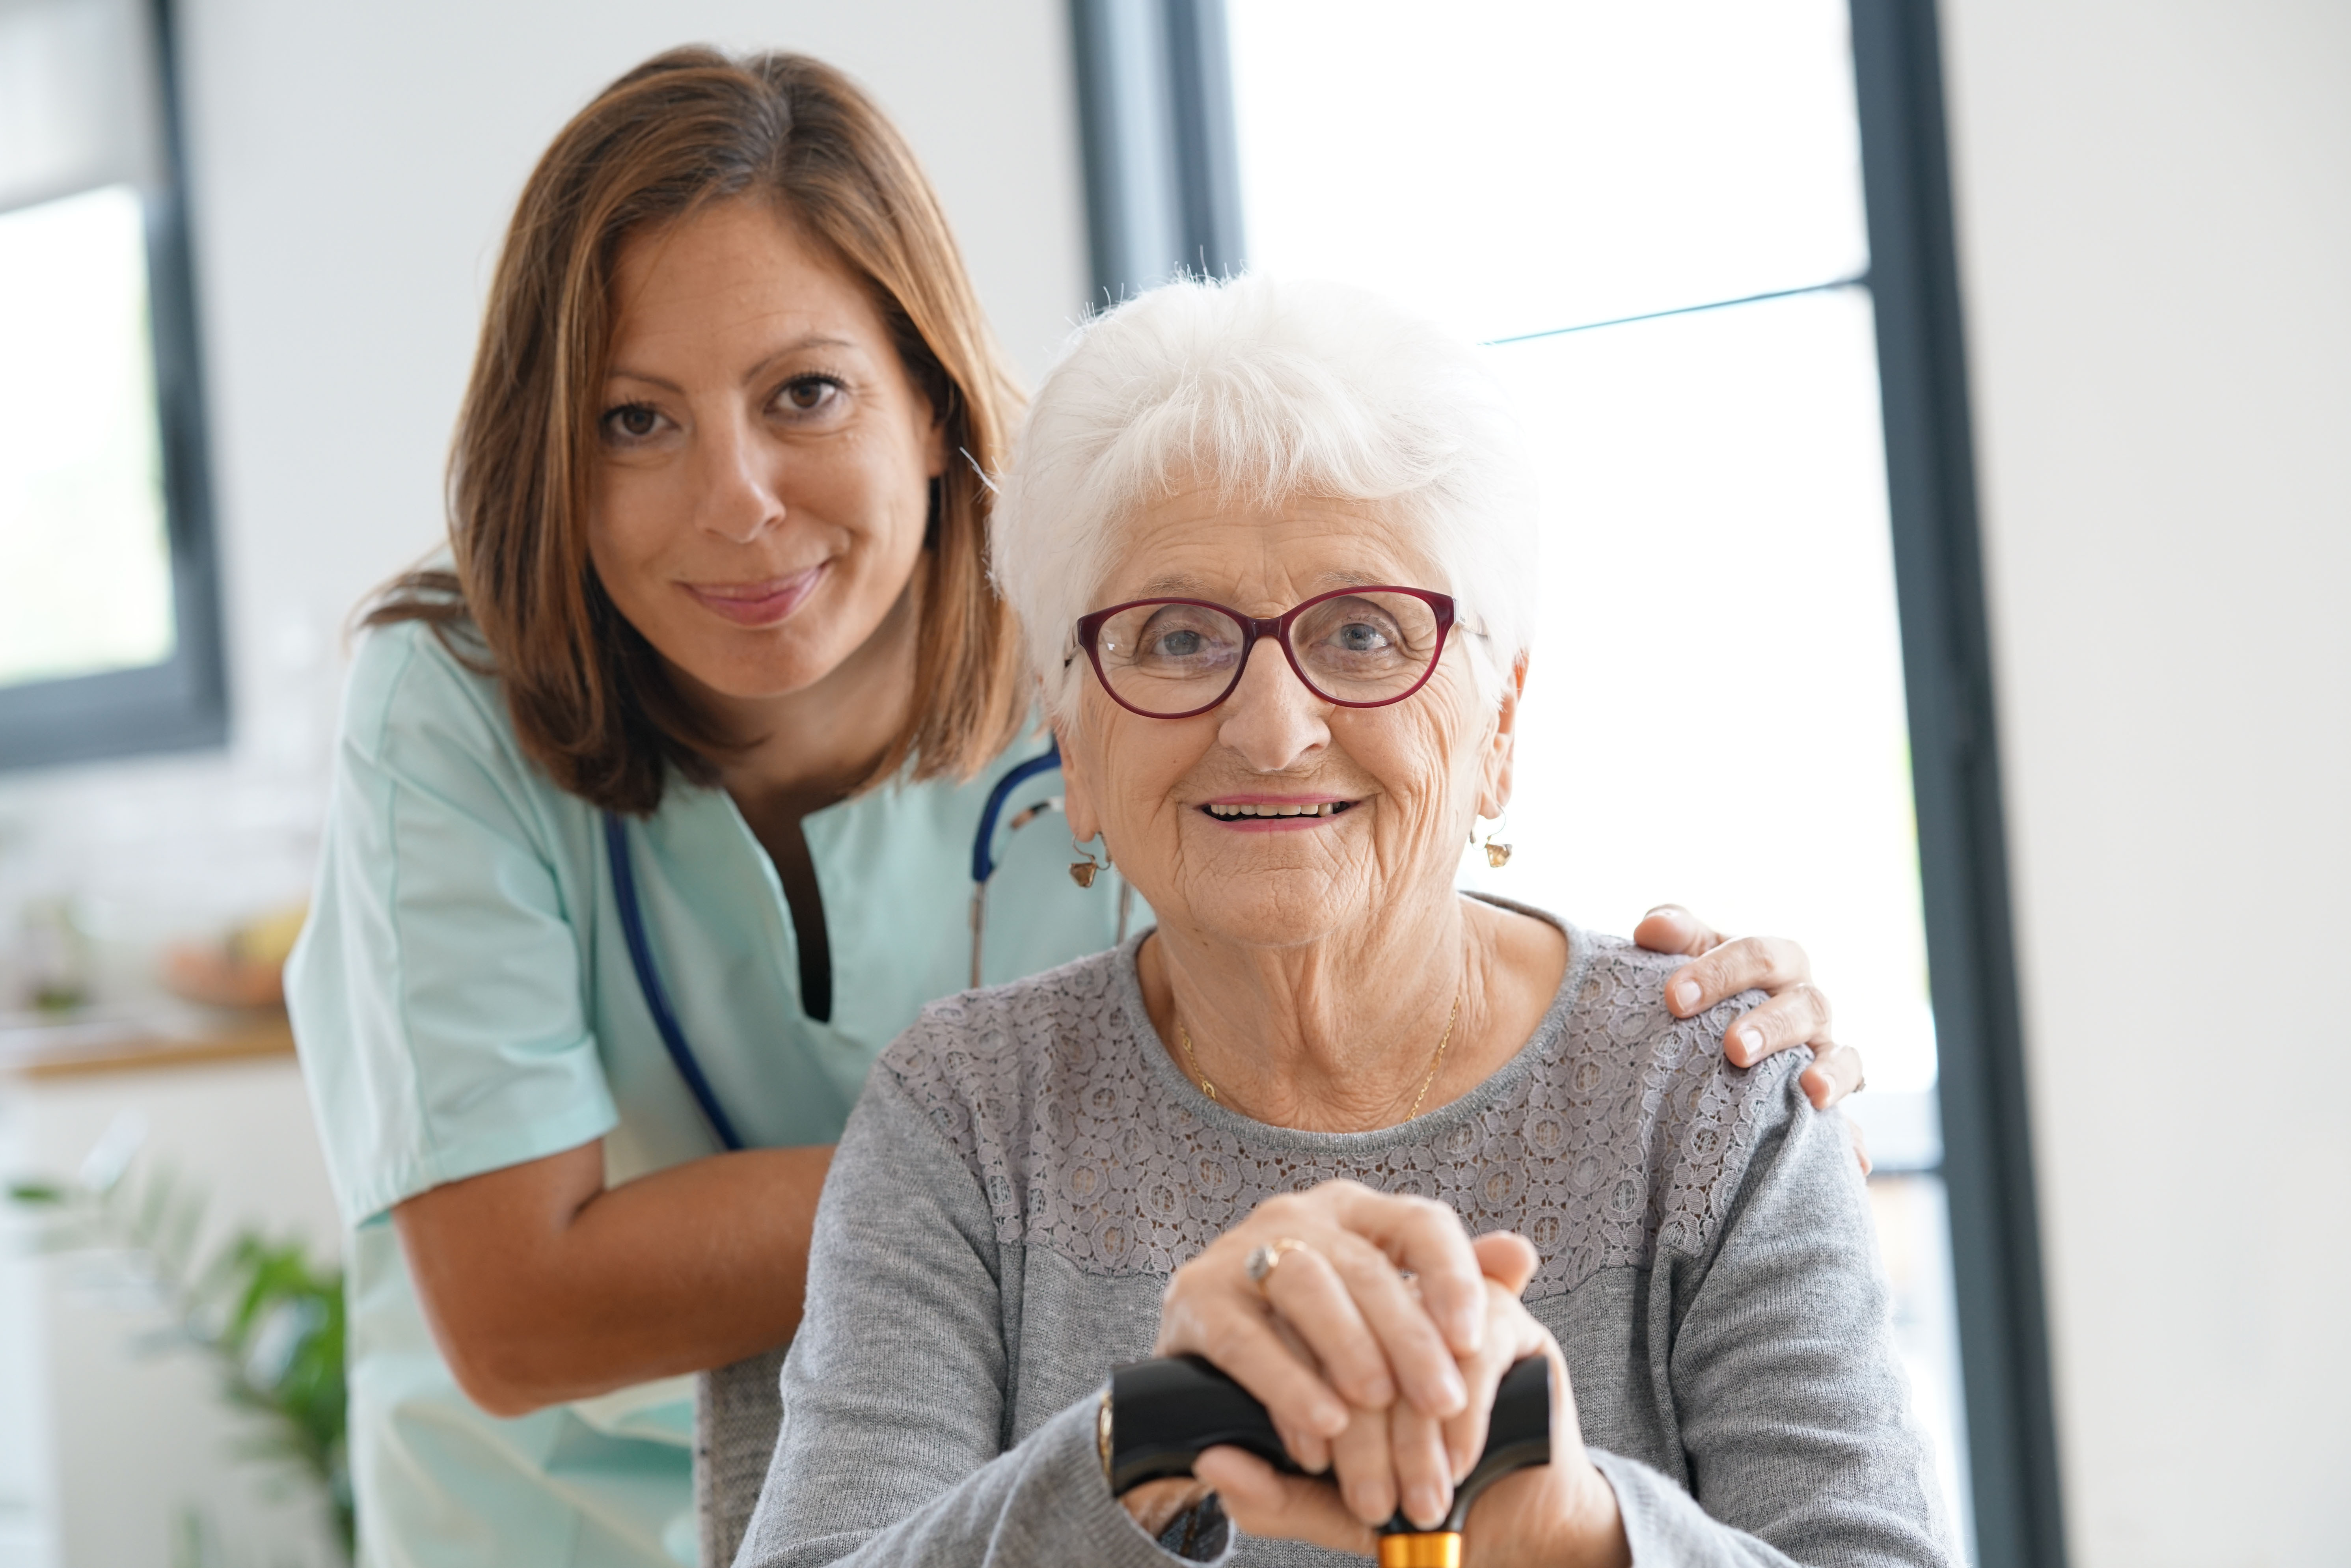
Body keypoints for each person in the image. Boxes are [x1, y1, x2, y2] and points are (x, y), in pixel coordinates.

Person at [286, 49, 1863, 1568]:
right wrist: (973, 1175)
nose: (737, 496)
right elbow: (517, 1305)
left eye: (808, 393)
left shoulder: (1108, 586)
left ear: (927, 395)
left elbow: (1335, 940)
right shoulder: (455, 701)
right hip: (565, 1511)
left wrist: (1670, 1066)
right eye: (636, 417)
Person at [736, 274, 1950, 1568]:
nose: (1269, 728)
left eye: (1365, 631)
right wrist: (1145, 1444)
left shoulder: (1712, 1094)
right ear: (1071, 742)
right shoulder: (964, 1111)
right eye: (1177, 636)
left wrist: (1578, 1535)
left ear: (1498, 726)